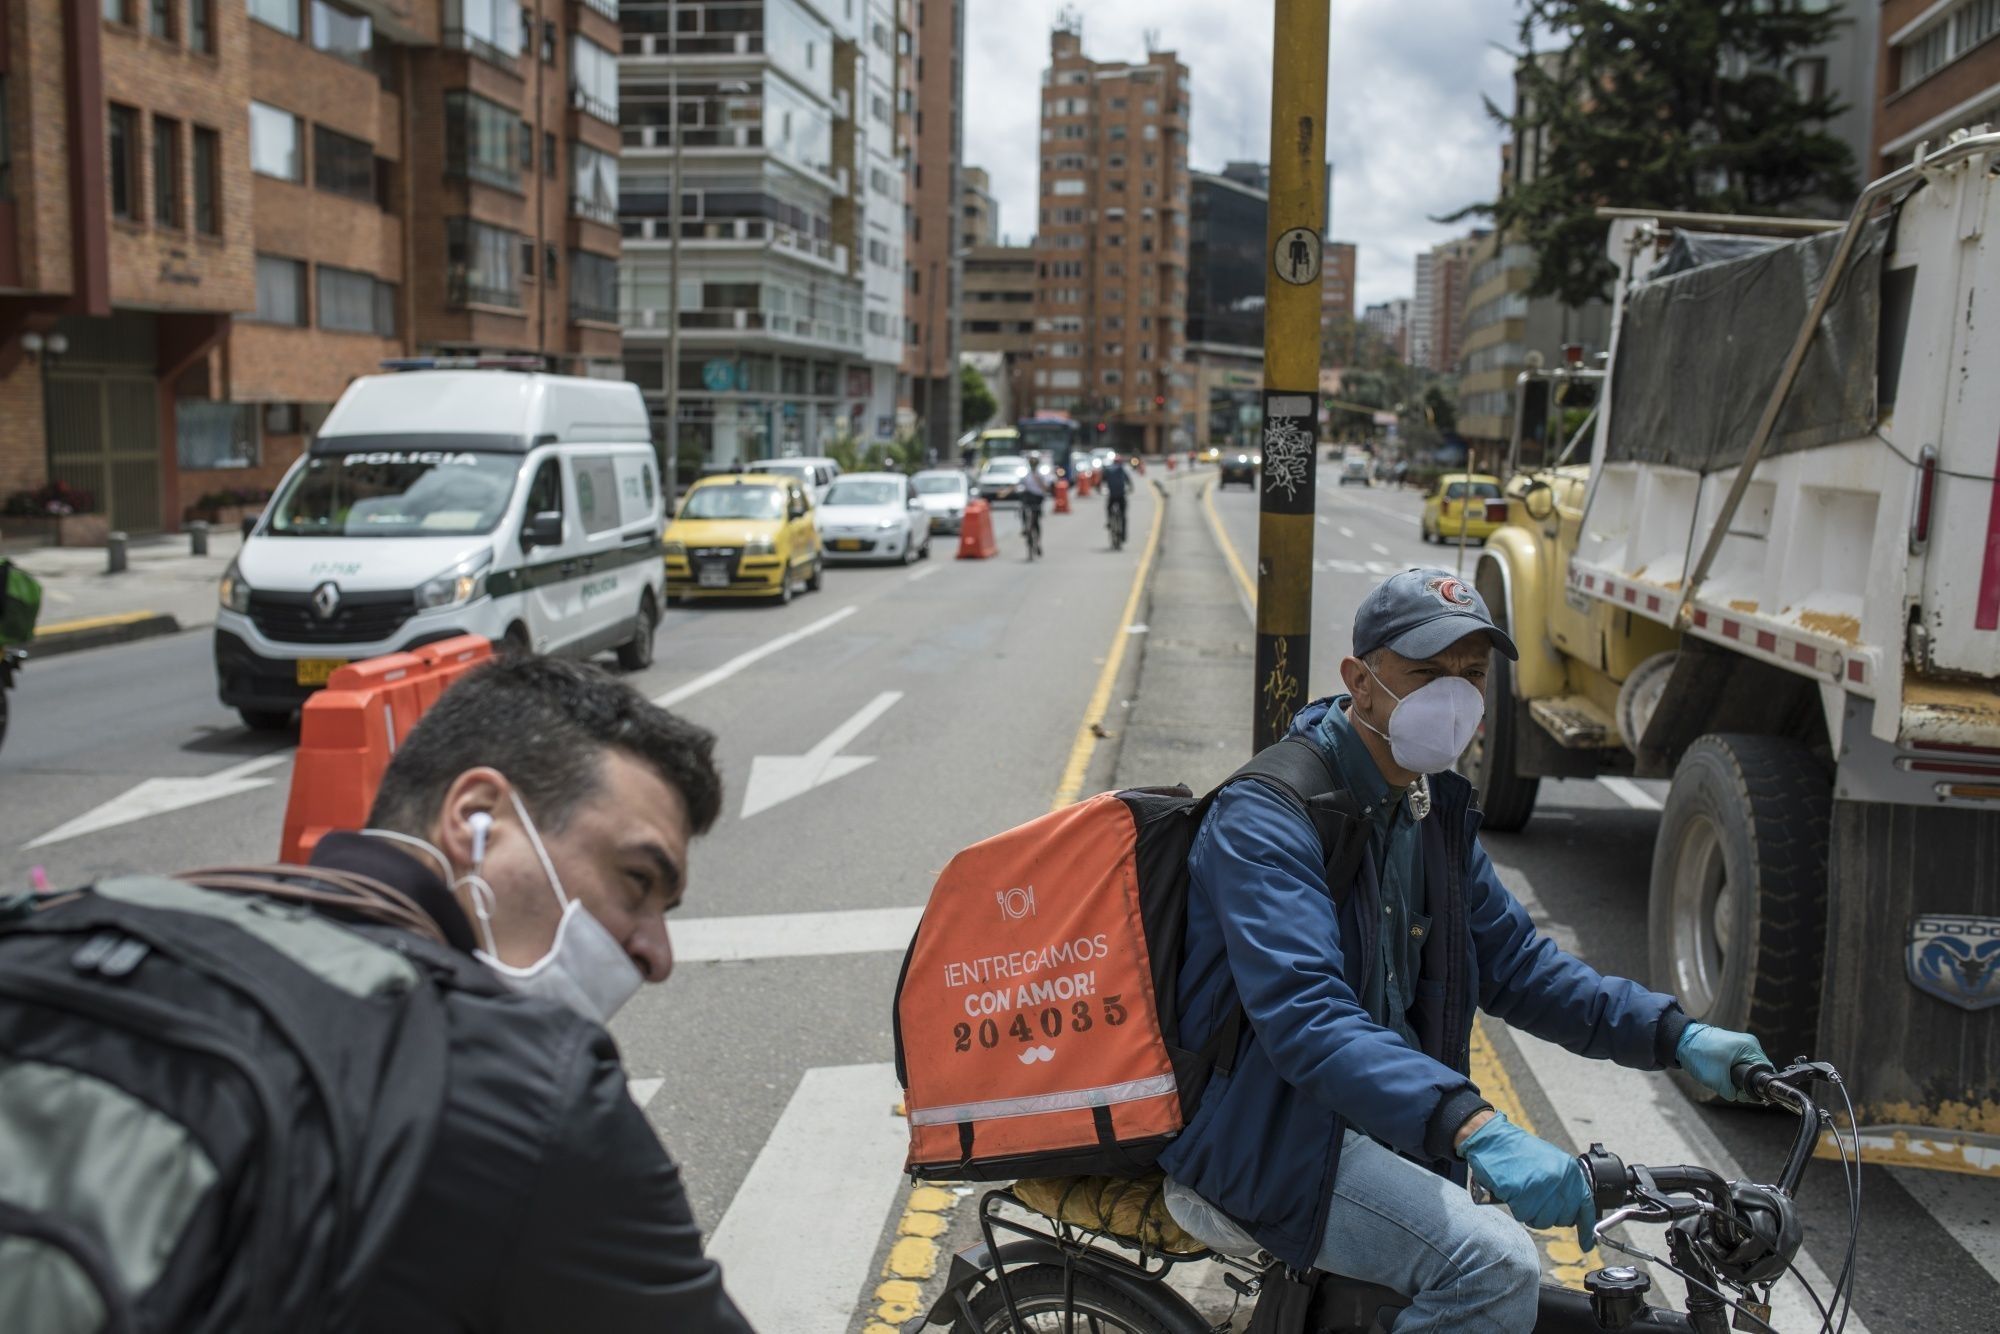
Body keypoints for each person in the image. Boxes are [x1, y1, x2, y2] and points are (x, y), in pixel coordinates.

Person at [1156, 569, 1771, 1332]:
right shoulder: (1270, 818)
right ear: (1362, 681)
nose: (1454, 696)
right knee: (1491, 1264)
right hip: (1269, 1144)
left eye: (1472, 675)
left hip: (1382, 1128)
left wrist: (1675, 1033)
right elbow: (1309, 1019)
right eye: (1425, 673)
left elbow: (1519, 967)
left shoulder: (1426, 808)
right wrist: (1473, 1125)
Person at [317, 654, 755, 1332]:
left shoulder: (150, 952)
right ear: (476, 817)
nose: (656, 955)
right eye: (637, 880)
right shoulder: (538, 1096)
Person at [1099, 453, 1132, 542]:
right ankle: (1123, 535)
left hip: (1112, 496)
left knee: (1108, 508)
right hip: (1121, 495)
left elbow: (1102, 480)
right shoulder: (1122, 470)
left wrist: (1100, 489)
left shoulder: (1109, 470)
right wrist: (1131, 489)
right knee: (1123, 515)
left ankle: (1110, 522)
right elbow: (1128, 481)